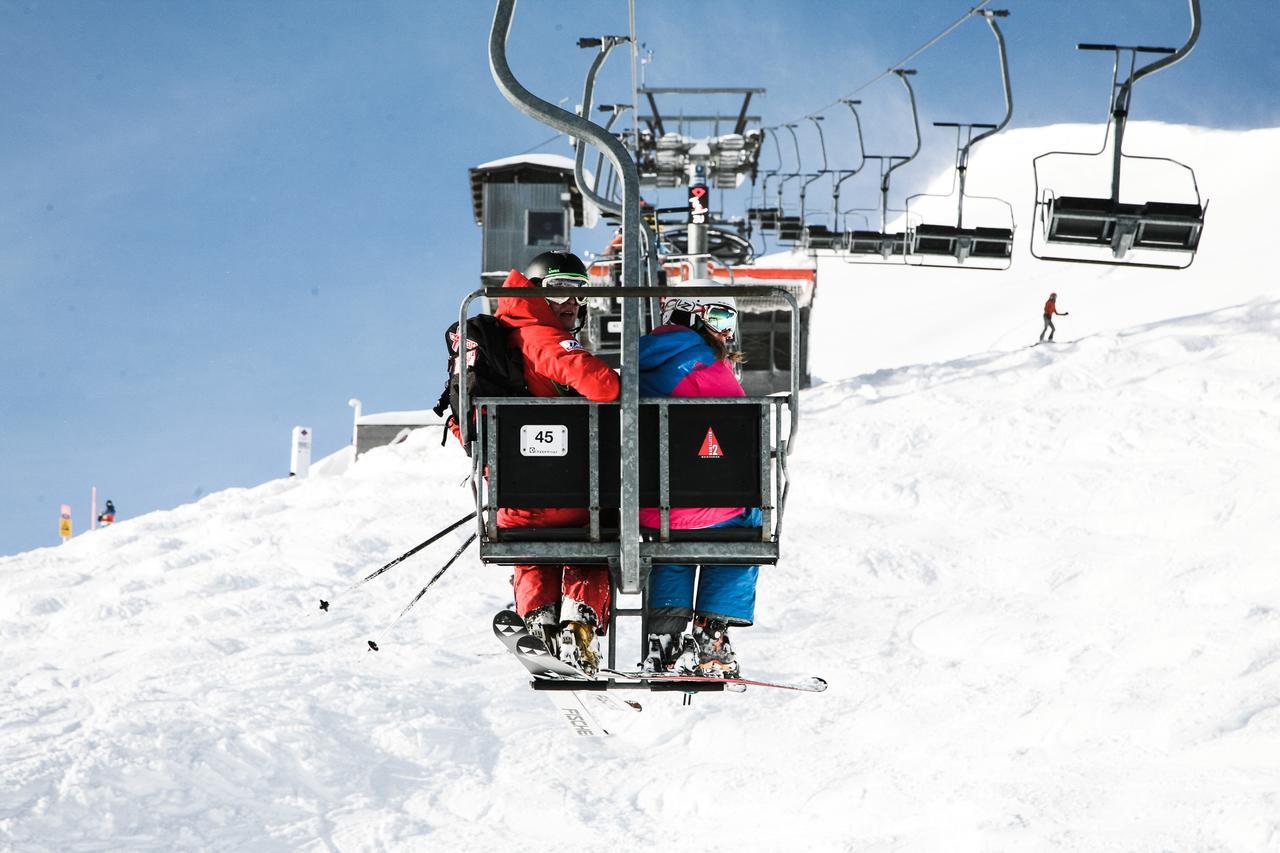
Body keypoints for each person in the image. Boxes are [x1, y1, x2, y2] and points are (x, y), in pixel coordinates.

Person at [493, 251, 620, 675]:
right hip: (564, 493)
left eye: (580, 292)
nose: (572, 302)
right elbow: (602, 386)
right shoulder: (541, 336)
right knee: (599, 539)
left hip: (515, 496)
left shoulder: (507, 331)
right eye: (560, 290)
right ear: (535, 291)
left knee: (534, 555)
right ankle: (578, 628)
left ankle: (540, 624)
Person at [637, 285, 761, 678]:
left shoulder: (634, 364)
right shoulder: (709, 368)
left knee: (672, 538)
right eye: (720, 319)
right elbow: (740, 439)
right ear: (690, 316)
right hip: (711, 504)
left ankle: (665, 639)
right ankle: (713, 634)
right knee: (746, 524)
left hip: (651, 509)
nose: (726, 332)